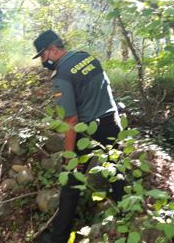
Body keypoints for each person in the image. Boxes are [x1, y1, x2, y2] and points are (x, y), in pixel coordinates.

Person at [33, 30, 125, 243]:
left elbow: (71, 120)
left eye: (43, 56)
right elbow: (106, 87)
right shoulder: (88, 57)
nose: (43, 61)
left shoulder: (62, 74)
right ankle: (125, 217)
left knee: (71, 182)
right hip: (112, 122)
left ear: (53, 49)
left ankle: (58, 238)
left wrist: (68, 156)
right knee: (116, 171)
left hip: (88, 129)